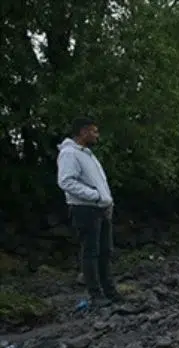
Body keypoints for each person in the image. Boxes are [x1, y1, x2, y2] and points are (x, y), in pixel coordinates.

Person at [57, 117, 118, 307]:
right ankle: (96, 295)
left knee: (105, 251)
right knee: (91, 252)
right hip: (85, 209)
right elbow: (66, 181)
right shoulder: (69, 153)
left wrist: (106, 201)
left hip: (100, 208)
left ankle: (110, 292)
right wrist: (95, 196)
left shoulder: (87, 154)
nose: (97, 135)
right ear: (83, 132)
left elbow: (98, 182)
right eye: (94, 131)